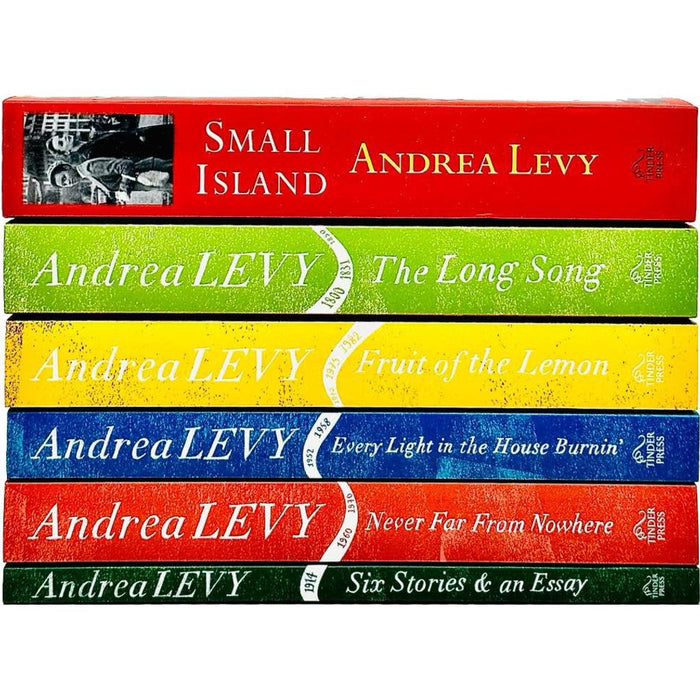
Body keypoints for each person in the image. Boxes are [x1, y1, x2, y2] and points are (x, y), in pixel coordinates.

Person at [48, 156, 172, 203]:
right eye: (64, 184)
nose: (68, 182)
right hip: (154, 178)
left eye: (64, 178)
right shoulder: (86, 175)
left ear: (67, 167)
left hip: (152, 171)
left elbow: (125, 165)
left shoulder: (89, 168)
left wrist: (123, 189)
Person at [46, 124, 173, 163]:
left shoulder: (88, 142)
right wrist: (138, 139)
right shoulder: (88, 154)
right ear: (66, 152)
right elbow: (119, 152)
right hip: (145, 145)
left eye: (61, 136)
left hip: (141, 135)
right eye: (61, 143)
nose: (64, 138)